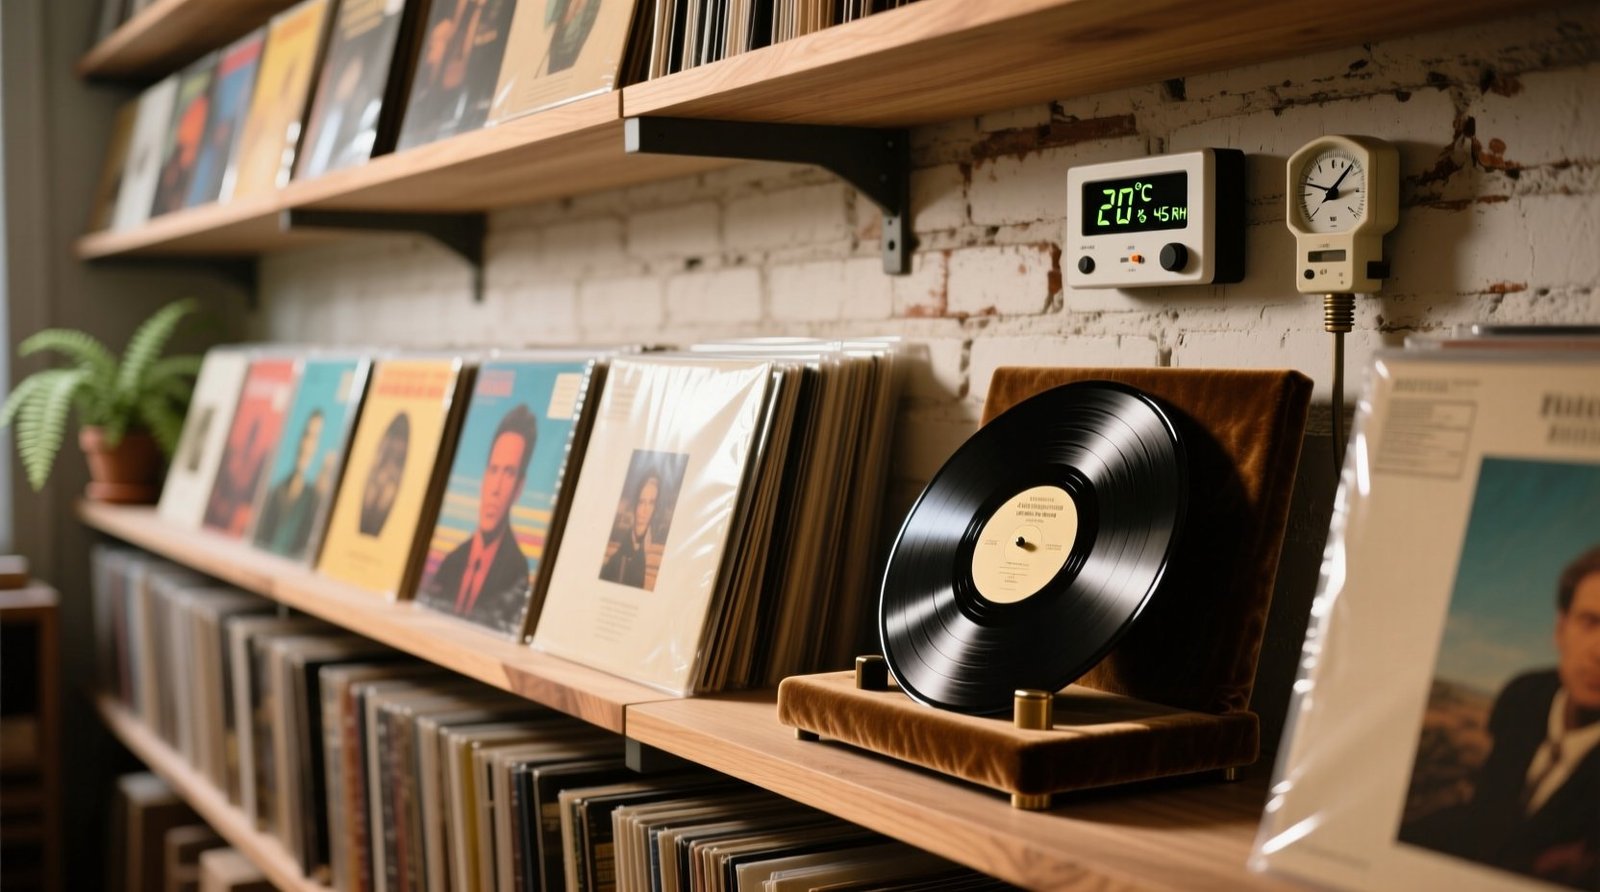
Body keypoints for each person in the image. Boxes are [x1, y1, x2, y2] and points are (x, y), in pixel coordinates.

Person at [1402, 545, 1600, 889]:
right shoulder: (1522, 696)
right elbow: (1483, 814)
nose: (1599, 651)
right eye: (1591, 622)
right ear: (1561, 628)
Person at [418, 405, 538, 632]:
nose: (496, 488)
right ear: (484, 477)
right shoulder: (451, 561)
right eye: (493, 470)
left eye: (509, 473)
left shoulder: (518, 574)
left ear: (519, 488)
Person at [253, 409, 326, 558]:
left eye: (314, 438)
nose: (306, 445)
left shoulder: (315, 501)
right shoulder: (273, 492)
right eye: (305, 435)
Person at [599, 469, 661, 590]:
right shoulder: (621, 545)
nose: (645, 509)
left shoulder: (654, 545)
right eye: (641, 502)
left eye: (651, 503)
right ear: (635, 504)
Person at [359, 412, 410, 536]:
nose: (395, 446)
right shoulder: (374, 473)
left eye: (400, 440)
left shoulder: (397, 482)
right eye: (393, 437)